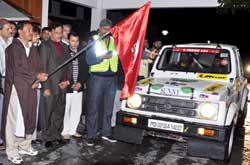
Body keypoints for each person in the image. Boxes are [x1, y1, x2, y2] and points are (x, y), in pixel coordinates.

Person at [1, 21, 48, 164]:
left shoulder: (32, 48)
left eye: (31, 30)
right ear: (20, 32)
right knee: (13, 121)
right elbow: (18, 69)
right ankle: (12, 151)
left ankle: (25, 146)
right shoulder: (12, 48)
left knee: (28, 117)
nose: (31, 32)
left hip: (31, 89)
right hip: (16, 88)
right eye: (28, 29)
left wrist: (38, 79)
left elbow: (39, 66)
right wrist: (36, 76)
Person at [85, 18, 118, 146]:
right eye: (104, 28)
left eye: (108, 28)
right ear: (99, 29)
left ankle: (106, 132)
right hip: (97, 78)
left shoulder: (115, 41)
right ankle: (91, 135)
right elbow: (89, 59)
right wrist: (102, 57)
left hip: (112, 77)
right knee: (93, 107)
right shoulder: (93, 40)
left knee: (108, 108)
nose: (106, 31)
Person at [39, 22, 70, 148]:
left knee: (59, 112)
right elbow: (42, 67)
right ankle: (46, 137)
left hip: (62, 85)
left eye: (60, 32)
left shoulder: (64, 46)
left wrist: (67, 80)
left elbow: (68, 65)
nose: (59, 35)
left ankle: (57, 134)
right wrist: (45, 87)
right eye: (56, 33)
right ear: (50, 33)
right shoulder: (45, 46)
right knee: (48, 113)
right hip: (50, 85)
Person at [61, 32, 88, 139]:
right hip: (68, 86)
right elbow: (64, 70)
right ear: (68, 40)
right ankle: (65, 131)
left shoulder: (82, 52)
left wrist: (80, 83)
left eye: (77, 41)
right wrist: (71, 82)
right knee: (66, 109)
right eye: (72, 40)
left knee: (77, 110)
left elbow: (85, 69)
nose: (75, 43)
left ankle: (73, 130)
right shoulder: (64, 52)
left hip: (79, 86)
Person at [0, 18, 12, 150]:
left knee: (6, 111)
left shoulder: (11, 42)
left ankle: (4, 137)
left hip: (10, 79)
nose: (11, 31)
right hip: (1, 79)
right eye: (8, 29)